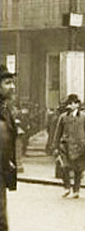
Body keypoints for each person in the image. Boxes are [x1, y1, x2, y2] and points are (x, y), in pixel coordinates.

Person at [52, 94, 85, 199]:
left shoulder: (84, 117)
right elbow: (57, 133)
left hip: (80, 147)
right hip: (65, 146)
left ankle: (76, 190)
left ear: (78, 105)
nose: (72, 105)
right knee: (64, 167)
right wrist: (55, 147)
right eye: (70, 103)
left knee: (78, 169)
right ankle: (67, 187)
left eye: (74, 103)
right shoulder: (63, 117)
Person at [0, 66, 18, 231]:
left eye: (12, 83)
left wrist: (9, 161)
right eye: (7, 83)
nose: (12, 87)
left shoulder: (6, 110)